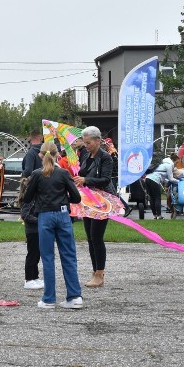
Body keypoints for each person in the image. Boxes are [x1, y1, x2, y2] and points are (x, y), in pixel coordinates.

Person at [23, 141, 83, 309]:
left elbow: (27, 198)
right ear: (58, 155)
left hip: (45, 216)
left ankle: (49, 299)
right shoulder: (63, 173)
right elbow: (77, 198)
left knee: (48, 257)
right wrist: (64, 199)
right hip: (63, 215)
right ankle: (75, 296)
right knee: (69, 256)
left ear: (41, 156)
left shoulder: (36, 174)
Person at [73, 126, 116, 288]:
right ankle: (95, 271)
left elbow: (105, 179)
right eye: (85, 143)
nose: (86, 145)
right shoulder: (85, 153)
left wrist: (85, 180)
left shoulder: (106, 158)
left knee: (96, 236)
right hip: (87, 201)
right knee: (90, 237)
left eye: (89, 142)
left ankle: (100, 273)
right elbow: (82, 171)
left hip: (102, 202)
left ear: (98, 141)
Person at [18, 177, 43, 290]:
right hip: (32, 231)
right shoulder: (28, 200)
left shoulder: (33, 198)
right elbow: (25, 215)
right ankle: (29, 279)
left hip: (37, 231)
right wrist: (40, 221)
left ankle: (35, 277)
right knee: (32, 255)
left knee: (36, 255)